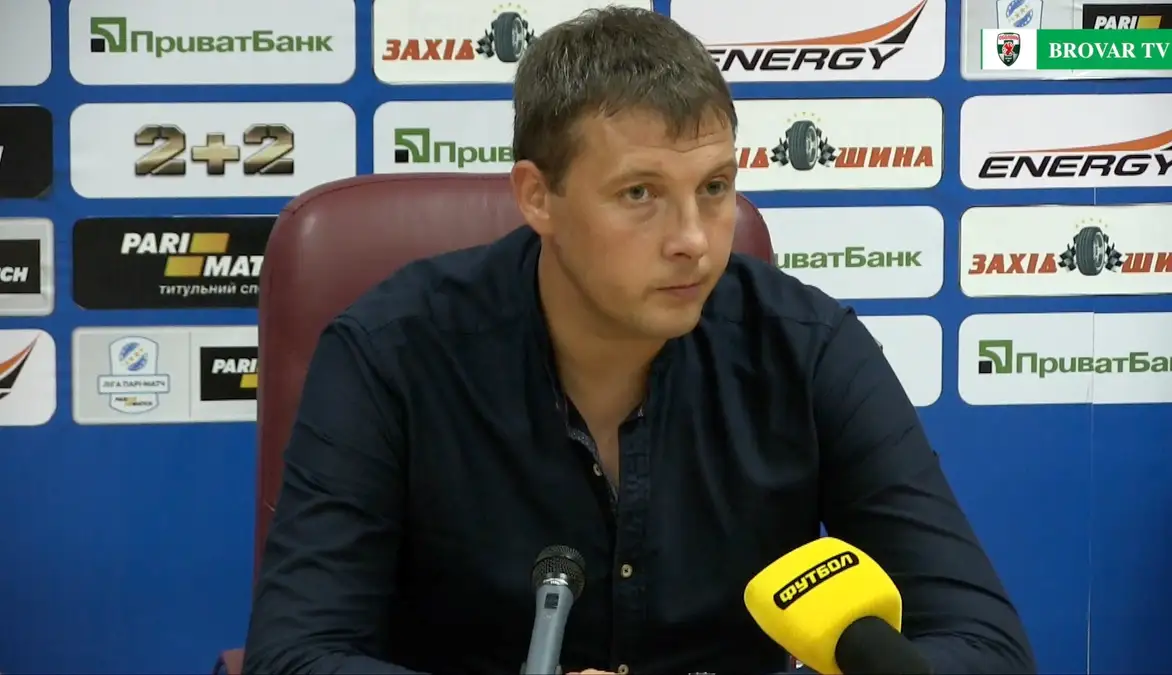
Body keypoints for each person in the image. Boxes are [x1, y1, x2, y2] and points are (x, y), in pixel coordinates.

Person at [242, 6, 1036, 675]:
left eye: (715, 187)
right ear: (537, 197)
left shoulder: (808, 348)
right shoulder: (391, 355)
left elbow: (986, 646)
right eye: (640, 194)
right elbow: (294, 656)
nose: (694, 238)